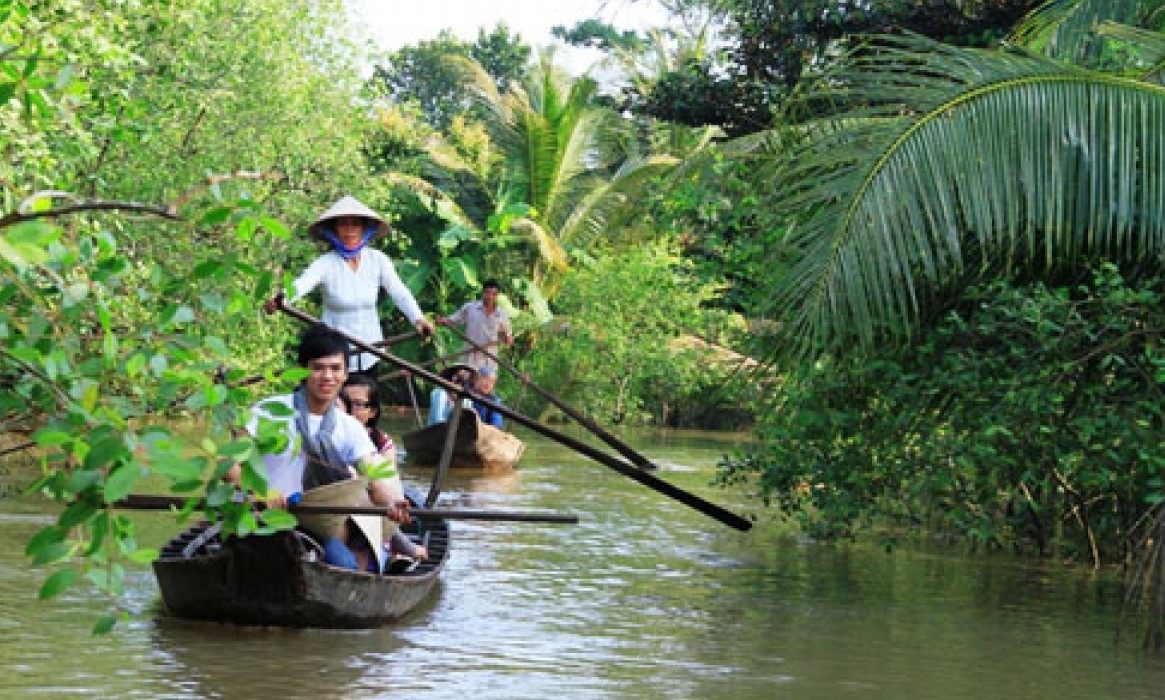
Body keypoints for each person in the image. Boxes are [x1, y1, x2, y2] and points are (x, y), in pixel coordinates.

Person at [230, 323, 410, 571]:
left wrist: (391, 504)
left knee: (344, 565)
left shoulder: (349, 428)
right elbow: (230, 466)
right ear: (302, 371)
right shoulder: (268, 412)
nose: (327, 376)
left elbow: (375, 480)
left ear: (346, 374)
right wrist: (264, 493)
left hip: (315, 524)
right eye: (318, 368)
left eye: (336, 369)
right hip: (263, 514)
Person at [266, 196, 435, 374]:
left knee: (366, 398)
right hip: (335, 353)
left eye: (355, 225)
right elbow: (302, 284)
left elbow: (398, 290)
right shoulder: (326, 263)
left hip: (371, 349)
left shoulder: (377, 259)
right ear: (333, 231)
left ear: (364, 229)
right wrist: (282, 299)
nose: (349, 231)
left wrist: (418, 318)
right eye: (343, 225)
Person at [339, 374, 428, 568]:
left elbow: (387, 482)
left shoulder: (381, 442)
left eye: (358, 404)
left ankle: (395, 549)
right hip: (340, 506)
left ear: (372, 411)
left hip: (372, 503)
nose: (350, 410)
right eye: (345, 402)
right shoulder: (333, 434)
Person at [436, 279, 512, 372]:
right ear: (483, 293)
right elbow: (454, 319)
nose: (490, 297)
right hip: (469, 357)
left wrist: (506, 338)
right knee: (465, 383)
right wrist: (443, 320)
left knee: (485, 385)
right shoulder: (470, 308)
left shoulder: (502, 314)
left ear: (497, 296)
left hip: (489, 360)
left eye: (494, 294)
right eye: (487, 293)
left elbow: (507, 339)